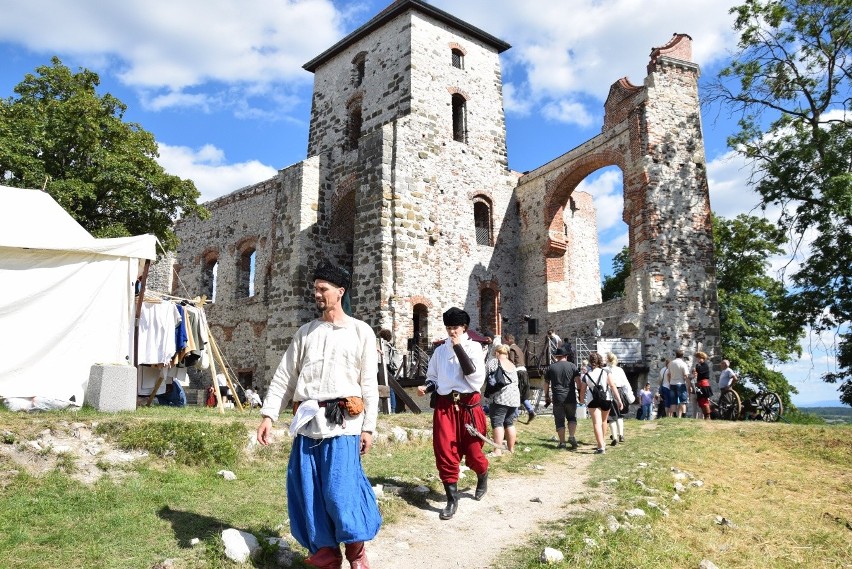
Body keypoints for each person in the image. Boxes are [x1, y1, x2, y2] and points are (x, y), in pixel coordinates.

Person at [256, 260, 380, 569]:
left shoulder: (361, 332)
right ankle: (325, 552)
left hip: (344, 425)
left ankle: (355, 550)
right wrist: (268, 416)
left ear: (340, 292)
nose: (317, 294)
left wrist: (369, 427)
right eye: (315, 289)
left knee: (340, 492)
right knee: (309, 492)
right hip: (308, 424)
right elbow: (285, 377)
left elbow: (369, 385)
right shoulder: (306, 333)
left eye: (322, 289)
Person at [417, 307, 488, 520]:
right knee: (445, 451)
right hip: (446, 407)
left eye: (455, 327)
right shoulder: (440, 351)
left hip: (469, 408)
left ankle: (482, 475)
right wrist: (427, 387)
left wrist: (458, 348)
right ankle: (451, 499)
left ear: (463, 327)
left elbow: (474, 378)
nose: (451, 332)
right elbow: (434, 377)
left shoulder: (475, 348)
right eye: (448, 328)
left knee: (474, 453)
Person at [580, 352, 622, 454]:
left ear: (590, 362)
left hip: (592, 400)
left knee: (596, 423)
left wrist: (581, 400)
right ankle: (602, 442)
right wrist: (619, 400)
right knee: (604, 421)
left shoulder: (586, 375)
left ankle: (600, 446)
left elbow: (583, 390)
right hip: (606, 398)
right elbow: (612, 386)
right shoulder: (606, 372)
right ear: (600, 361)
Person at [543, 344, 582, 449]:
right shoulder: (573, 366)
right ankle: (572, 436)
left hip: (557, 398)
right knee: (572, 417)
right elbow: (579, 383)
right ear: (566, 356)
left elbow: (546, 384)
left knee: (559, 420)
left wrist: (547, 396)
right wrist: (579, 393)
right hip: (570, 397)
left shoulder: (551, 368)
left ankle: (562, 443)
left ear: (556, 357)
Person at [484, 344, 520, 456]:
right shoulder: (512, 365)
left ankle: (497, 450)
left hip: (500, 398)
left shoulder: (494, 362)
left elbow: (484, 376)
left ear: (496, 352)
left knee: (497, 423)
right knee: (509, 423)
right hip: (514, 398)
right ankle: (511, 449)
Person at [605, 352, 633, 445]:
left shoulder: (604, 370)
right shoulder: (620, 370)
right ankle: (621, 434)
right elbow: (626, 383)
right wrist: (629, 394)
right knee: (620, 415)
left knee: (612, 416)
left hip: (609, 392)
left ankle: (615, 437)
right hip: (620, 392)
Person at [505, 334, 535, 422]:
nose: (504, 342)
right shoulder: (518, 348)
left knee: (515, 393)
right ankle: (530, 410)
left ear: (508, 340)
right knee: (521, 394)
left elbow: (511, 361)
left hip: (518, 373)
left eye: (505, 340)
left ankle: (515, 415)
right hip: (524, 372)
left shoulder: (512, 349)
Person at [378, 329, 401, 413]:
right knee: (391, 390)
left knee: (378, 388)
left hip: (383, 368)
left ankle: (381, 408)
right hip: (390, 369)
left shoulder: (381, 345)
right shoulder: (390, 346)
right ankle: (392, 409)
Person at [667, 350, 691, 418]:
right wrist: (689, 385)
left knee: (673, 401)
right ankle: (683, 416)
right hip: (680, 383)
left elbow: (668, 375)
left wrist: (669, 382)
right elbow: (686, 375)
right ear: (682, 355)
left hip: (672, 383)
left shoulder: (671, 363)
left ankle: (674, 416)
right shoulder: (683, 364)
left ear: (676, 355)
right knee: (683, 401)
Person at [693, 351, 713, 420]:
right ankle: (705, 415)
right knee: (701, 401)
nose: (698, 359)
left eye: (699, 358)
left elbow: (700, 370)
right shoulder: (700, 365)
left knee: (704, 401)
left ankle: (707, 416)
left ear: (702, 358)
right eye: (697, 358)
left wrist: (697, 367)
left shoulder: (705, 365)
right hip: (700, 384)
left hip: (704, 385)